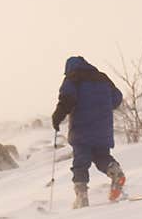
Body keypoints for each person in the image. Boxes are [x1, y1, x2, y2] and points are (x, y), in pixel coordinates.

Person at [51, 56, 126, 208]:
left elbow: (67, 99)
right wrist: (102, 106)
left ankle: (81, 196)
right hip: (102, 128)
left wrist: (57, 117)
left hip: (82, 127)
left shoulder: (73, 78)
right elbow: (117, 98)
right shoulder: (102, 78)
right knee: (102, 156)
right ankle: (115, 171)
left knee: (81, 161)